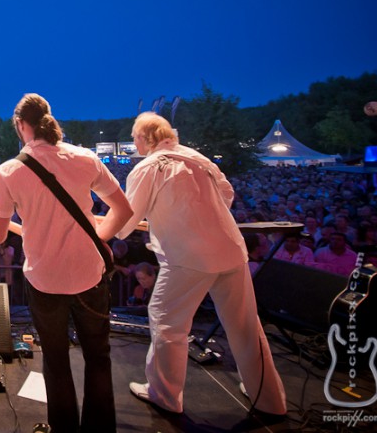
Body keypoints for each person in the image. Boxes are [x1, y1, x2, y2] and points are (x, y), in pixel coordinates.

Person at [0, 93, 133, 433]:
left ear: (20, 126)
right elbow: (124, 210)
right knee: (98, 358)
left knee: (57, 362)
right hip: (90, 275)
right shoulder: (85, 158)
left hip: (45, 281)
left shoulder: (10, 171)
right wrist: (99, 237)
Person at [116, 112, 286, 416]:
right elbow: (227, 195)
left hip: (187, 258)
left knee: (167, 321)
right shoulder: (199, 158)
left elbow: (125, 222)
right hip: (231, 251)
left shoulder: (148, 168)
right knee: (246, 326)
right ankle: (269, 398)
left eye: (134, 135)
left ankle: (164, 395)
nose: (133, 141)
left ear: (146, 137)